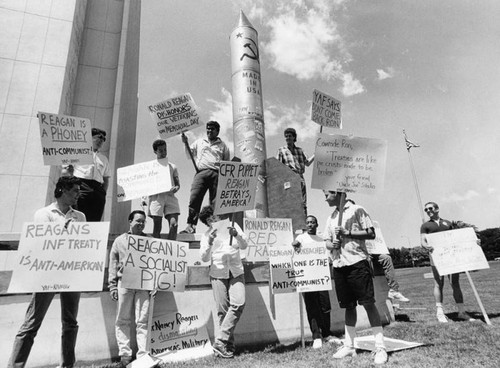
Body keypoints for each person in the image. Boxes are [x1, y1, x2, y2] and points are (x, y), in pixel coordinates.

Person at [8, 176, 86, 368]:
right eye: (75, 190)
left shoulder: (80, 217)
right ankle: (15, 365)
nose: (78, 194)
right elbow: (43, 243)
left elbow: (83, 245)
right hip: (47, 275)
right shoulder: (43, 213)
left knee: (70, 322)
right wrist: (65, 231)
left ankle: (68, 364)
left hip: (71, 274)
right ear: (62, 191)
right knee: (31, 324)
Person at [322, 191, 388, 365]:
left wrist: (348, 232)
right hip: (339, 264)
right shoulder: (331, 217)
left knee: (368, 303)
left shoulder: (357, 210)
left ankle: (380, 346)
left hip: (357, 262)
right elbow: (326, 241)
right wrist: (332, 244)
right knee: (348, 306)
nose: (325, 197)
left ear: (337, 193)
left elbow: (371, 233)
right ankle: (349, 344)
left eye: (327, 194)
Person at [199, 205, 248, 359]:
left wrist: (237, 235)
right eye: (209, 220)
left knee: (239, 303)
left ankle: (220, 341)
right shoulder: (206, 235)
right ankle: (227, 347)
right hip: (218, 274)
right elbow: (204, 258)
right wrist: (210, 242)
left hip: (236, 272)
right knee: (223, 311)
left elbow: (245, 245)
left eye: (213, 217)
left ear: (218, 216)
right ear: (206, 223)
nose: (213, 220)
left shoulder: (233, 226)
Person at [108, 210, 152, 367]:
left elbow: (156, 264)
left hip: (143, 284)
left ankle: (143, 356)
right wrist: (112, 286)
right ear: (130, 221)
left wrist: (155, 284)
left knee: (143, 320)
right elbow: (113, 264)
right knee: (122, 319)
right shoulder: (120, 241)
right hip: (124, 283)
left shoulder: (150, 240)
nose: (141, 224)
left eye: (143, 221)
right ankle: (125, 356)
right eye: (138, 221)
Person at [420, 201, 474, 323]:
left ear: (437, 209)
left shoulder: (448, 223)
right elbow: (423, 241)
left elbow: (455, 238)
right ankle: (440, 312)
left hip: (451, 256)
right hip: (436, 257)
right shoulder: (425, 225)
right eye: (426, 210)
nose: (428, 211)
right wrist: (426, 246)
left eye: (430, 208)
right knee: (439, 283)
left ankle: (461, 311)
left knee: (455, 283)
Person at [346, 200, 409, 303]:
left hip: (373, 251)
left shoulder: (365, 220)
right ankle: (369, 296)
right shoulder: (347, 223)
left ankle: (394, 290)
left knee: (386, 258)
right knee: (367, 262)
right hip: (359, 254)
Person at [181, 121, 230, 234]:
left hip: (217, 175)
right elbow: (189, 155)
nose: (209, 131)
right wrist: (185, 143)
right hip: (201, 173)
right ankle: (191, 226)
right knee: (194, 198)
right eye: (208, 128)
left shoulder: (223, 146)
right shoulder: (199, 142)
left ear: (217, 131)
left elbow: (227, 164)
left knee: (215, 203)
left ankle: (215, 228)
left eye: (212, 129)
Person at [292, 215, 333, 349]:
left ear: (317, 224)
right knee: (312, 307)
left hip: (321, 277)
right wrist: (295, 246)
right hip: (307, 278)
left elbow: (328, 256)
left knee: (325, 305)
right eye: (308, 222)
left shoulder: (322, 238)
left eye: (312, 222)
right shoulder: (301, 238)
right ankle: (316, 336)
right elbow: (295, 252)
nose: (310, 225)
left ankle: (327, 333)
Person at [141, 139, 180, 240]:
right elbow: (144, 184)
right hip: (156, 197)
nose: (163, 153)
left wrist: (176, 188)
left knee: (174, 224)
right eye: (160, 150)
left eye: (165, 150)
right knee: (157, 226)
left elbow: (177, 184)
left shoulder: (173, 166)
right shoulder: (150, 166)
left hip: (170, 196)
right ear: (155, 152)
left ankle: (171, 248)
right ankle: (157, 251)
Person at [72, 127, 110, 221]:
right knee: (78, 217)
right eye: (99, 137)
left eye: (103, 139)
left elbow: (106, 178)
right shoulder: (78, 152)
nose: (101, 140)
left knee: (94, 220)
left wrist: (103, 193)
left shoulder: (104, 159)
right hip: (81, 185)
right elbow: (68, 169)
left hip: (98, 189)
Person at [276, 127, 314, 215]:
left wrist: (316, 154)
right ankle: (291, 225)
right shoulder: (281, 150)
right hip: (288, 178)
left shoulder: (300, 150)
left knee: (302, 203)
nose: (287, 138)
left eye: (289, 136)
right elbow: (277, 167)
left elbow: (307, 163)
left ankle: (304, 225)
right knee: (290, 202)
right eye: (286, 136)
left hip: (300, 178)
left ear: (294, 137)